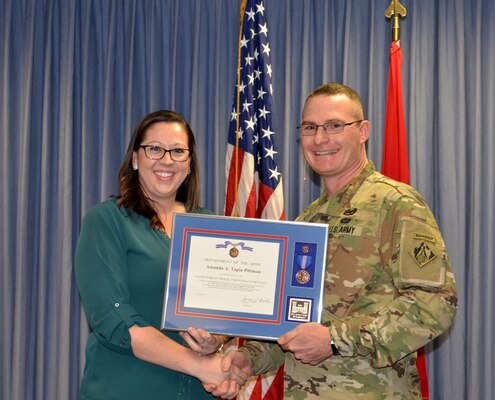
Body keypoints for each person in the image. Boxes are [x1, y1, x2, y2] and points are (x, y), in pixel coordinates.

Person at [211, 82, 458, 399]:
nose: (320, 138)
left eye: (335, 126)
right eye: (310, 127)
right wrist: (249, 360)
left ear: (363, 130)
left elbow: (435, 304)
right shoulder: (307, 220)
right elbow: (292, 322)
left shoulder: (396, 204)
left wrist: (334, 339)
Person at [75, 110, 244, 400]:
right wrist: (201, 365)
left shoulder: (213, 227)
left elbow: (228, 309)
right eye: (154, 148)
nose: (167, 160)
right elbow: (114, 321)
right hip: (126, 389)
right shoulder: (106, 221)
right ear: (135, 158)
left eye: (178, 151)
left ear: (190, 164)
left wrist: (214, 340)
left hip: (201, 392)